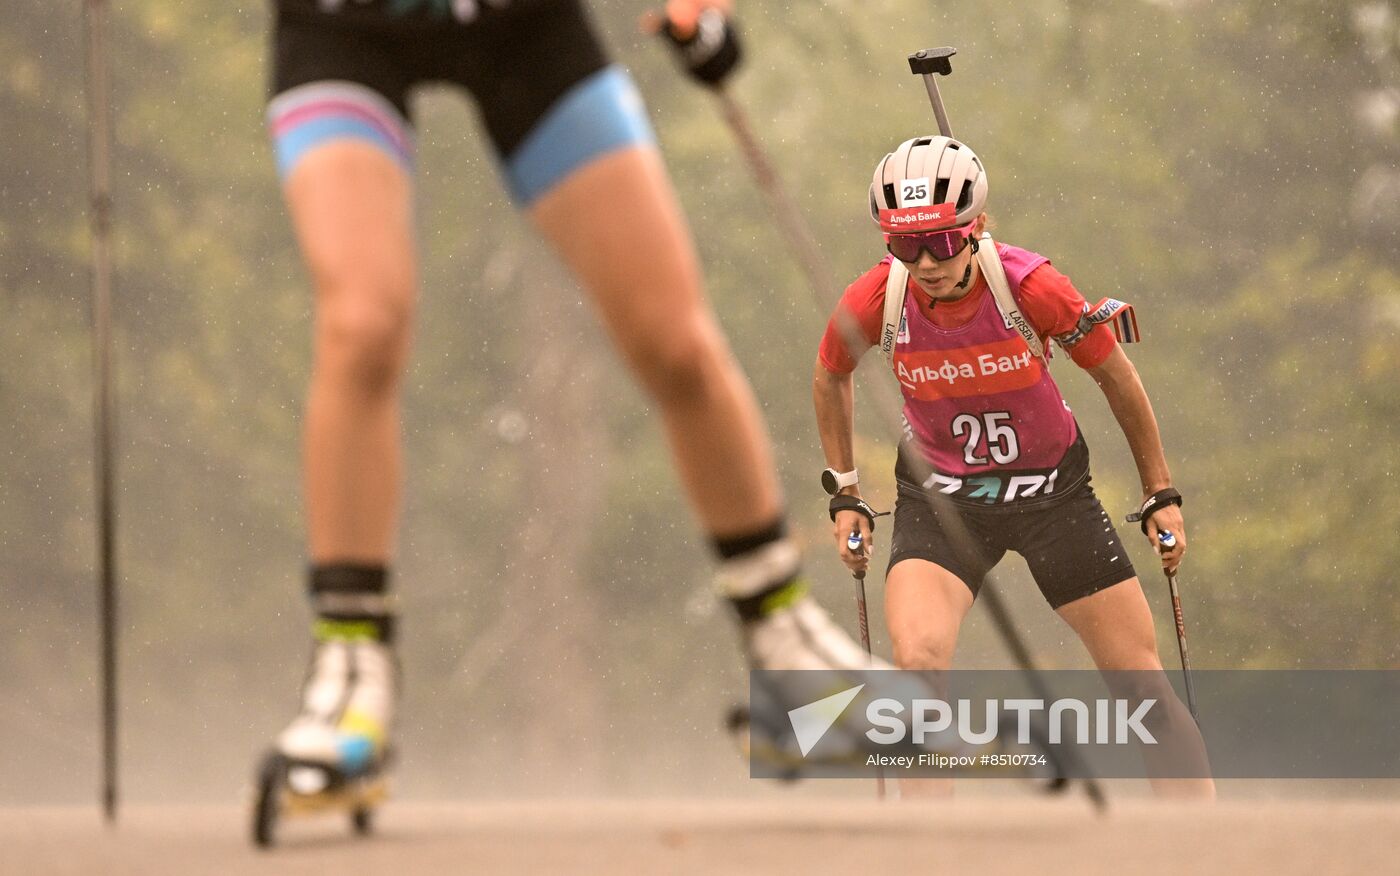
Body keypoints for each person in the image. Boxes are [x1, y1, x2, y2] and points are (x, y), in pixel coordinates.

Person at [261, 0, 874, 791]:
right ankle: (350, 672)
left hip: (524, 28)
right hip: (342, 30)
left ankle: (788, 648)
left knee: (673, 340)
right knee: (363, 324)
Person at [812, 135, 1214, 796]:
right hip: (943, 504)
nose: (926, 262)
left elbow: (1118, 379)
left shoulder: (1031, 287)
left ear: (975, 229)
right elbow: (830, 377)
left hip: (1054, 499)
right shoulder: (876, 300)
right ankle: (931, 851)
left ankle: (1204, 847)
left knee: (1138, 684)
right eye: (905, 246)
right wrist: (847, 494)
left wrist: (1160, 490)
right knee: (916, 665)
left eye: (942, 242)